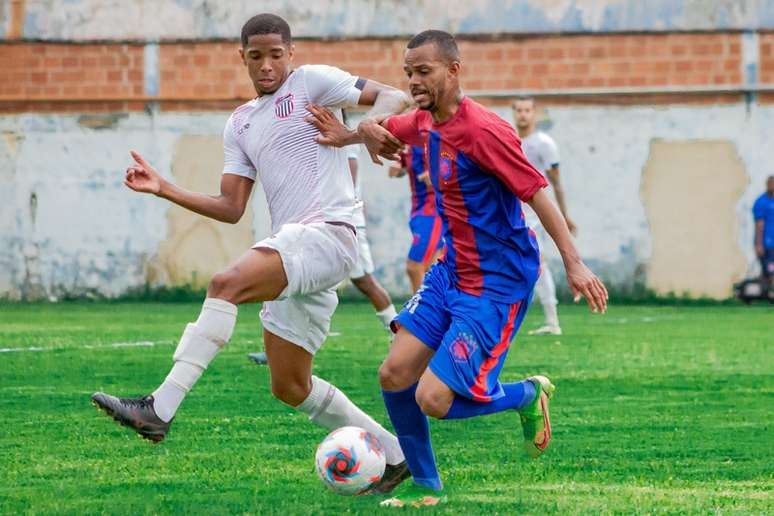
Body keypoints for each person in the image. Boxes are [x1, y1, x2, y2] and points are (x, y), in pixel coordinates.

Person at [90, 13, 411, 494]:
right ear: (241, 57)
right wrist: (164, 189)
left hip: (329, 235)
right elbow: (230, 207)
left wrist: (366, 125)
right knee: (289, 386)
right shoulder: (240, 123)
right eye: (255, 56)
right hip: (297, 250)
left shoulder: (312, 83)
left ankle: (160, 409)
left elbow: (394, 95)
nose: (266, 65)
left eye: (275, 55)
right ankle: (393, 454)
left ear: (291, 54)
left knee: (225, 284)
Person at [351, 30, 608, 506]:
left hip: (496, 283)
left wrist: (574, 264)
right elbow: (390, 127)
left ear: (454, 70)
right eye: (408, 72)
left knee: (433, 399)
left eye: (423, 72)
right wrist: (354, 131)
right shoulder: (426, 121)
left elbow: (536, 193)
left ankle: (526, 395)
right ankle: (426, 486)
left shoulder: (485, 131)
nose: (413, 82)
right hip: (450, 271)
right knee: (393, 374)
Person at [512, 97, 576, 336]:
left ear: (534, 113)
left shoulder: (544, 144)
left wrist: (564, 216)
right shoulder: (511, 141)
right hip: (513, 214)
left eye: (527, 110)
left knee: (538, 264)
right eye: (518, 110)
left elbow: (556, 183)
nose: (522, 115)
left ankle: (552, 321)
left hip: (534, 216)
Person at [389, 145, 445, 293]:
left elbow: (454, 168)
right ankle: (435, 312)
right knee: (432, 267)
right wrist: (398, 168)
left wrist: (436, 175)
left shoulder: (436, 138)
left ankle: (419, 313)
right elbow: (404, 166)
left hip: (433, 212)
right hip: (417, 210)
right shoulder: (409, 140)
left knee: (414, 266)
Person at [753, 175, 774, 286]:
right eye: (771, 183)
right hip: (767, 244)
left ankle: (763, 294)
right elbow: (759, 225)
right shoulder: (761, 202)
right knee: (771, 270)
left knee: (767, 272)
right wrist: (758, 244)